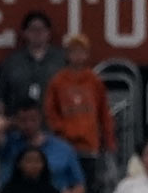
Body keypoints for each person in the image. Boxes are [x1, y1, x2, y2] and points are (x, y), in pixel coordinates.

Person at [46, 34, 114, 164]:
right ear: (67, 55)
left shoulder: (94, 80)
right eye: (73, 51)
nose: (77, 55)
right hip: (65, 143)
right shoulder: (58, 81)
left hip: (90, 144)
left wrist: (109, 141)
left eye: (81, 51)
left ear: (86, 54)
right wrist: (62, 130)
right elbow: (51, 112)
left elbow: (104, 113)